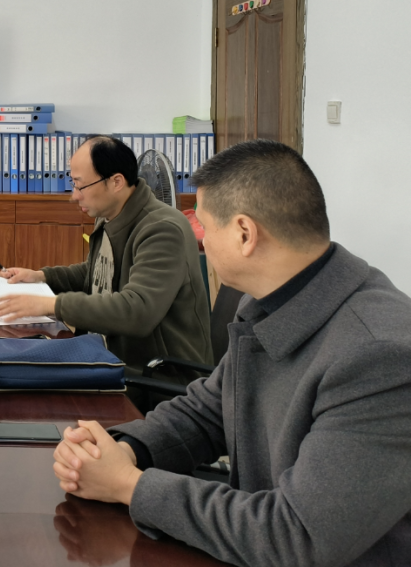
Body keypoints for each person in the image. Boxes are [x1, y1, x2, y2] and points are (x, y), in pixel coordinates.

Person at [52, 140, 411, 567]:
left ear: (244, 234)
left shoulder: (380, 358)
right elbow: (210, 410)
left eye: (204, 227)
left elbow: (298, 538)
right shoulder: (269, 296)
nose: (200, 240)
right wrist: (127, 450)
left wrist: (130, 485)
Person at [0, 135, 212, 378]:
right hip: (109, 356)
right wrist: (41, 277)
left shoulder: (163, 229)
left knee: (25, 378)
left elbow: (137, 311)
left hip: (156, 377)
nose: (74, 195)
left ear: (116, 182)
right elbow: (96, 272)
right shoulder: (110, 213)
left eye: (81, 185)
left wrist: (51, 305)